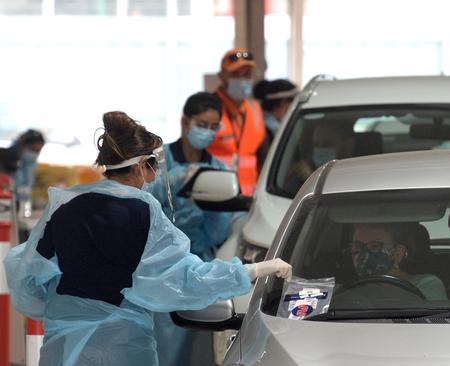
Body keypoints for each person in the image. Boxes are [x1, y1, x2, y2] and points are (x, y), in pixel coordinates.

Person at [3, 111, 291, 366]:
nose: (154, 175)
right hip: (120, 344)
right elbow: (186, 278)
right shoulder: (141, 210)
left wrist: (62, 310)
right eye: (153, 165)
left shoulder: (65, 203)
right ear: (141, 165)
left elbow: (26, 271)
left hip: (63, 345)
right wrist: (253, 270)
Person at [150, 92, 232, 366]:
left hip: (200, 265)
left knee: (201, 347)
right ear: (185, 123)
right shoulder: (156, 165)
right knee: (164, 344)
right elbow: (141, 205)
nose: (207, 132)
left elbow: (220, 229)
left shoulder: (218, 170)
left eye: (213, 127)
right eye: (201, 124)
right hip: (160, 267)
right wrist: (167, 185)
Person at [207, 48, 266, 196]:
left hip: (249, 200)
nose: (242, 80)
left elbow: (262, 157)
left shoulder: (256, 110)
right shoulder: (208, 109)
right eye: (235, 74)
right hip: (215, 198)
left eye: (246, 74)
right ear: (221, 77)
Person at [348, 223, 447, 300]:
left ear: (398, 253)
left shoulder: (427, 284)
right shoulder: (343, 289)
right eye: (358, 246)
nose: (362, 255)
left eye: (375, 246)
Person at [286, 121, 355, 192]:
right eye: (316, 144)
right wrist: (307, 179)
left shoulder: (357, 172)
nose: (320, 149)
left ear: (346, 145)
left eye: (327, 144)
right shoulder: (303, 172)